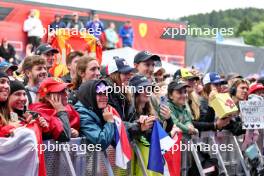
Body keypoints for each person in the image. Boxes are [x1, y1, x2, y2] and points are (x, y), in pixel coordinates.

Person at [74, 80, 115, 150]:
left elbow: (119, 128)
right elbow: (101, 142)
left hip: (94, 159)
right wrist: (109, 122)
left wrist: (136, 126)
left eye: (105, 93)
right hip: (83, 160)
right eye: (99, 94)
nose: (104, 97)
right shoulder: (82, 113)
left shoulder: (101, 110)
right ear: (89, 95)